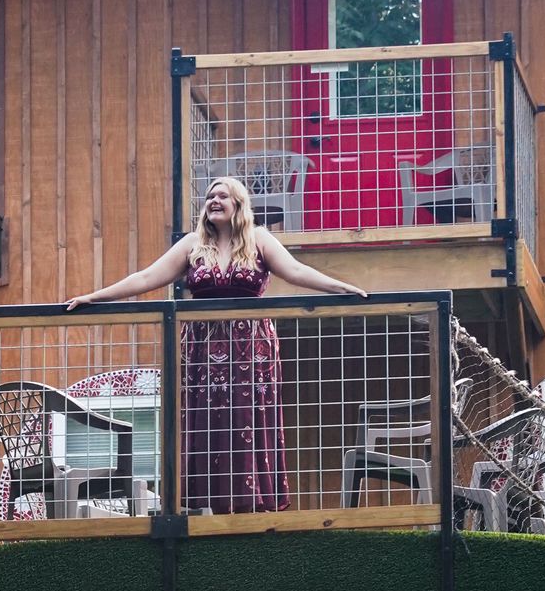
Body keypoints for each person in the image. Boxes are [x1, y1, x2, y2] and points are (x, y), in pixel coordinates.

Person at [67, 178, 364, 514]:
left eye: (223, 195)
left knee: (248, 418)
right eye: (210, 196)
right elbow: (147, 277)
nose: (214, 200)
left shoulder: (259, 239)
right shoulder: (193, 244)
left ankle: (254, 505)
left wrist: (342, 288)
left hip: (252, 348)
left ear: (239, 204)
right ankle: (204, 506)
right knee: (206, 420)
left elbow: (295, 270)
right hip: (202, 350)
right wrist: (95, 296)